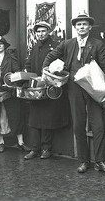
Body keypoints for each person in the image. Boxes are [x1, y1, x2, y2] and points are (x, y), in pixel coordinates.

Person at [43, 13, 105, 174]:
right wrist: (47, 71)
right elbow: (50, 56)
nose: (82, 27)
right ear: (75, 28)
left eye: (85, 24)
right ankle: (84, 161)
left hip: (94, 88)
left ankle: (100, 161)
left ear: (90, 27)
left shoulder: (97, 44)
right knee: (78, 125)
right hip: (74, 88)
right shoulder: (67, 44)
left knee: (99, 125)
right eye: (79, 25)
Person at [23, 21, 69, 160]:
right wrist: (27, 73)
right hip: (37, 87)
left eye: (43, 31)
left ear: (49, 31)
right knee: (35, 119)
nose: (41, 34)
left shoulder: (55, 46)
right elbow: (29, 63)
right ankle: (34, 148)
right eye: (38, 32)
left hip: (50, 87)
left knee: (48, 119)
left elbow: (61, 64)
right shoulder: (35, 46)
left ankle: (46, 149)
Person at [0, 36, 30, 153]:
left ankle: (21, 142)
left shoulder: (11, 58)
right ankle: (1, 142)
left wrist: (11, 80)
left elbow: (17, 72)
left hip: (9, 90)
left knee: (15, 116)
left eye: (1, 44)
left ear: (4, 46)